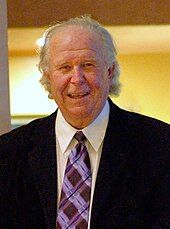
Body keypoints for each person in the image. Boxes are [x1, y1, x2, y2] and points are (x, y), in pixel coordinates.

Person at [0, 16, 169, 228]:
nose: (77, 78)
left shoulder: (161, 147)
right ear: (48, 77)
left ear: (110, 71)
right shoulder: (8, 153)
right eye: (64, 67)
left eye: (88, 65)